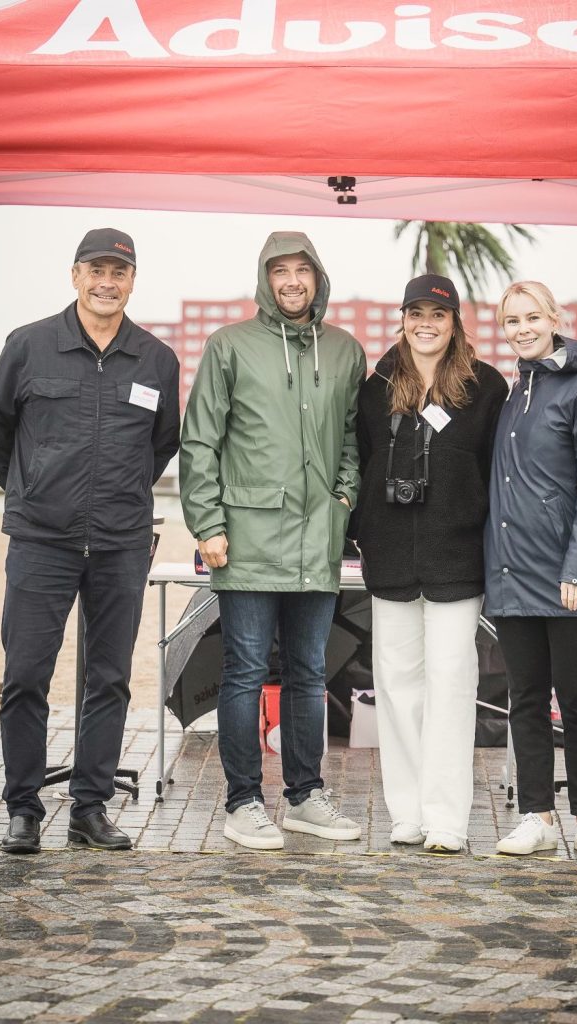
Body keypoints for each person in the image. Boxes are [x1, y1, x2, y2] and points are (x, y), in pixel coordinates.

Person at [0, 228, 181, 854]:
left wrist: (115, 497)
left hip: (121, 542)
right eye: (96, 270)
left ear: (132, 282)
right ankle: (23, 809)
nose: (106, 283)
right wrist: (34, 488)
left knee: (110, 678)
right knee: (25, 675)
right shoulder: (29, 345)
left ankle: (90, 809)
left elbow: (162, 444)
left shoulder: (156, 359)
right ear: (75, 276)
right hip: (41, 541)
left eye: (118, 273)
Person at [180, 231, 366, 850]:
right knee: (245, 673)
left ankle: (306, 797)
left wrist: (344, 499)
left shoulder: (344, 351)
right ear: (265, 279)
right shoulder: (229, 345)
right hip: (247, 539)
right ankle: (242, 803)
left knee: (310, 674)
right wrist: (207, 523)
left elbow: (352, 440)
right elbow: (200, 441)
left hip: (318, 538)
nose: (291, 281)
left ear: (318, 277)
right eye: (279, 271)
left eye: (301, 270)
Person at [351, 274, 507, 853]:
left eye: (437, 315)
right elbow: (361, 463)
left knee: (451, 684)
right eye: (415, 313)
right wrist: (361, 530)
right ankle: (407, 813)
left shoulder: (485, 387)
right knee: (396, 688)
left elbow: (496, 473)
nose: (426, 324)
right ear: (403, 319)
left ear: (454, 322)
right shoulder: (376, 387)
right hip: (390, 557)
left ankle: (446, 819)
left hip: (457, 559)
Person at [485, 280, 577, 861]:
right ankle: (536, 816)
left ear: (555, 319)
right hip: (513, 574)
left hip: (572, 579)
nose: (523, 329)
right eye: (512, 321)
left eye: (532, 317)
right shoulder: (516, 392)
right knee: (526, 700)